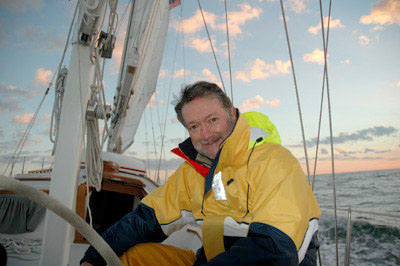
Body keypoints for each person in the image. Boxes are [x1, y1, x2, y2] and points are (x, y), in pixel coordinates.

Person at [81, 81, 321, 266]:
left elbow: (276, 251)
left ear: (232, 115)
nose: (205, 135)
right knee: (135, 257)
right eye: (194, 126)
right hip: (209, 260)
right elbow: (144, 219)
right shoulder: (193, 173)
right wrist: (92, 258)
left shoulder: (273, 161)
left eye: (212, 120)